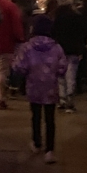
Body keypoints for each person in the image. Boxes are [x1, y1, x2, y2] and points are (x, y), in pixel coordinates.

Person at [13, 16, 68, 162]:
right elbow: (62, 67)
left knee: (35, 115)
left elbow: (19, 66)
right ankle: (50, 150)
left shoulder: (27, 47)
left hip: (33, 86)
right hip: (51, 87)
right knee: (50, 119)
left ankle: (36, 142)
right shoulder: (56, 47)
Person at [51, 0, 87, 112]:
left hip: (59, 49)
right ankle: (70, 100)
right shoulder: (76, 16)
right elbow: (81, 34)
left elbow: (54, 33)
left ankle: (62, 99)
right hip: (73, 49)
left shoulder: (56, 16)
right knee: (70, 75)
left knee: (60, 75)